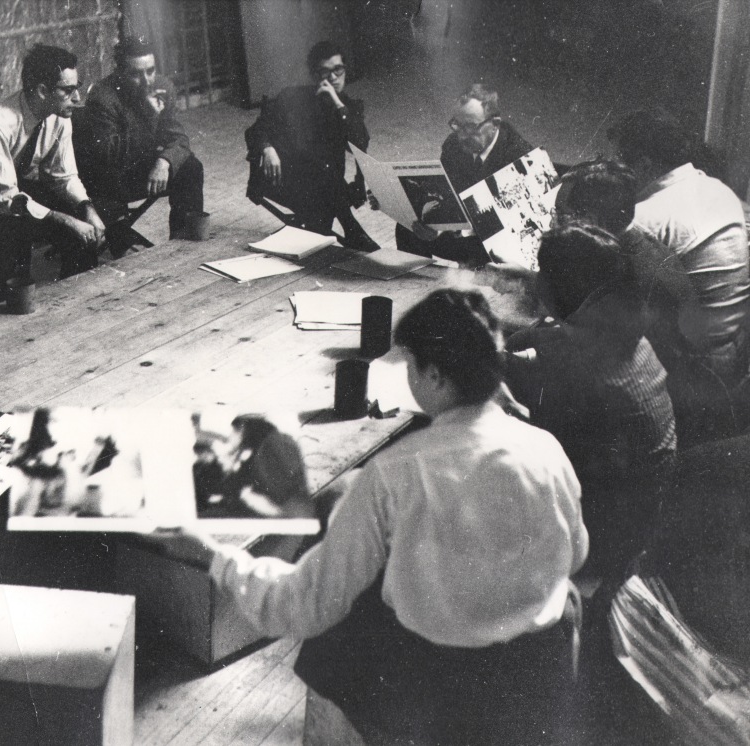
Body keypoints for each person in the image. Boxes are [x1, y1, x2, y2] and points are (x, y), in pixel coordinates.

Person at [160, 289, 587, 744]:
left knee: (333, 635)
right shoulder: (545, 448)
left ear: (437, 377)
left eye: (410, 366)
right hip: (535, 677)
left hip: (441, 694)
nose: (407, 377)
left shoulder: (395, 473)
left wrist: (214, 556)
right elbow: (575, 554)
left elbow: (303, 604)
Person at [505, 221, 676, 580]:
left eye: (542, 271)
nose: (536, 278)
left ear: (557, 287)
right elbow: (550, 341)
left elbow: (532, 425)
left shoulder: (578, 369)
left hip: (601, 540)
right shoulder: (620, 325)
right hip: (641, 514)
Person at [608, 109, 750, 440]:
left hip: (692, 378)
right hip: (736, 363)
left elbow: (607, 306)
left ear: (642, 164)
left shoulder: (645, 220)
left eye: (620, 163)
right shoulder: (717, 189)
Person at [0, 44, 105, 282]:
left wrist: (87, 209)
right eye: (68, 90)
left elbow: (62, 176)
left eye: (78, 88)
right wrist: (64, 220)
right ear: (43, 91)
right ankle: (16, 304)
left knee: (80, 225)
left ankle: (79, 299)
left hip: (7, 184)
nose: (77, 98)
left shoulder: (60, 114)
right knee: (15, 228)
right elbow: (6, 199)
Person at [244, 40, 379, 252]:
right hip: (283, 179)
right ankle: (351, 227)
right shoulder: (292, 98)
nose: (333, 77)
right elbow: (255, 130)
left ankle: (344, 226)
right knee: (323, 172)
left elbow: (360, 143)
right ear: (315, 75)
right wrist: (268, 149)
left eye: (338, 70)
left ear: (345, 71)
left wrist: (337, 103)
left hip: (324, 187)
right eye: (325, 72)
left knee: (323, 188)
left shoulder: (349, 107)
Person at [73, 36, 205, 252]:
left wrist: (164, 162)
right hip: (108, 178)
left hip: (142, 168)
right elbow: (109, 155)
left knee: (190, 167)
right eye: (136, 74)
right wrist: (150, 114)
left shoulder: (162, 87)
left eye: (151, 71)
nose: (146, 81)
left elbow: (179, 138)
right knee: (123, 244)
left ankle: (184, 244)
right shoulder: (102, 96)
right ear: (120, 73)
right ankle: (119, 235)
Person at [398, 83, 534, 263]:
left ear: (495, 124)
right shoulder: (453, 145)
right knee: (406, 229)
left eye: (470, 127)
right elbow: (444, 192)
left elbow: (521, 225)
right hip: (465, 233)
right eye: (457, 125)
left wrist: (450, 230)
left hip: (502, 243)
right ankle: (420, 287)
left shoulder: (519, 155)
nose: (462, 135)